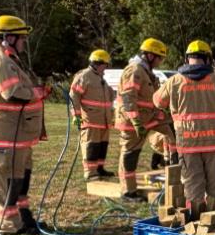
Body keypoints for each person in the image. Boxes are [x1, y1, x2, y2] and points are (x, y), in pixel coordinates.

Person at [0, 15, 50, 235]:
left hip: (17, 133)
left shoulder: (8, 58)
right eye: (21, 38)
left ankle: (24, 218)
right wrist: (39, 92)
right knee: (7, 181)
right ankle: (10, 226)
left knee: (20, 178)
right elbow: (13, 94)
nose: (24, 43)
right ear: (8, 38)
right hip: (5, 133)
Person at [153, 40, 215, 220]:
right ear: (208, 59)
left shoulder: (174, 81)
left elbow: (158, 102)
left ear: (186, 59)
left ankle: (196, 221)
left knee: (192, 185)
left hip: (188, 144)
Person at [115, 38, 174, 201]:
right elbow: (128, 98)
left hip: (149, 116)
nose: (160, 61)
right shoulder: (134, 71)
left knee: (172, 134)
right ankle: (128, 191)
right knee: (130, 153)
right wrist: (136, 122)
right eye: (159, 58)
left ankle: (174, 172)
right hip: (132, 120)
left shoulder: (147, 71)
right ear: (149, 55)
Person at [69, 49, 116, 181]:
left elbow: (110, 96)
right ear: (98, 63)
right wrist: (76, 115)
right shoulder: (84, 76)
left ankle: (100, 169)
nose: (106, 67)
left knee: (102, 146)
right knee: (91, 146)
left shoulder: (100, 78)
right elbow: (74, 96)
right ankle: (90, 172)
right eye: (105, 64)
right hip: (91, 120)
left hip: (104, 122)